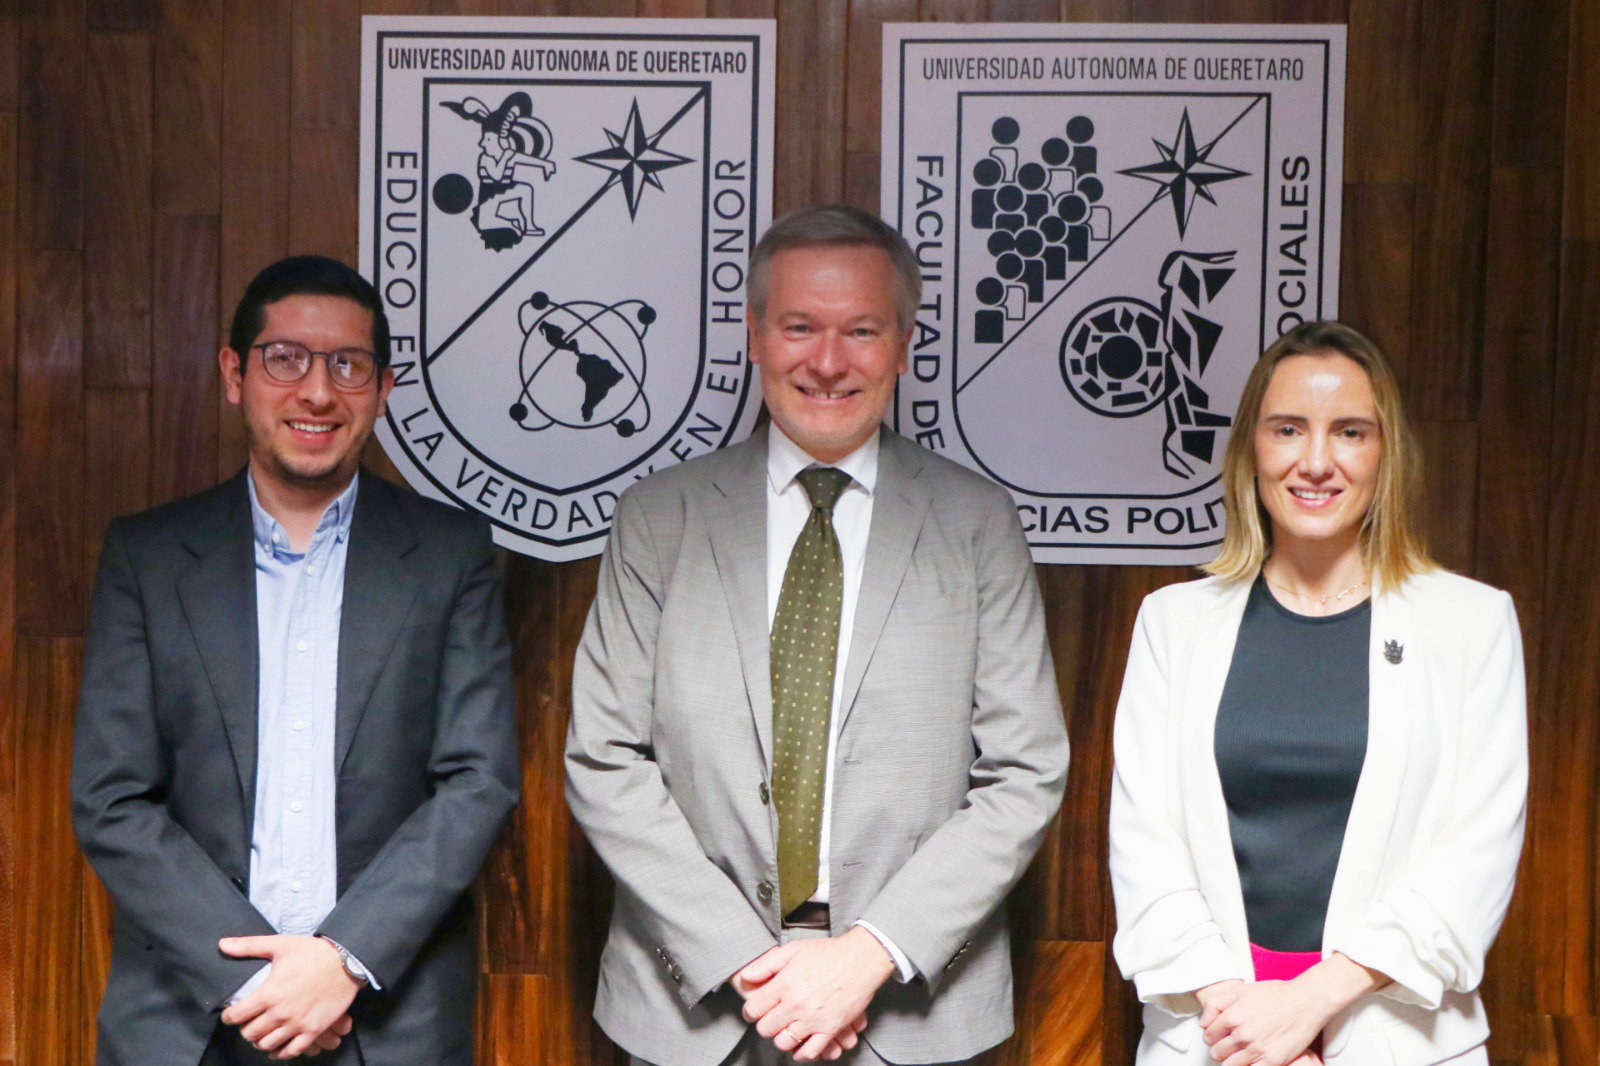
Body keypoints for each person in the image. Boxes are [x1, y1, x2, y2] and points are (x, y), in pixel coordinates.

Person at [565, 205, 1069, 1066]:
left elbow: (1025, 772)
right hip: (693, 1012)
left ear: (903, 345)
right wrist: (754, 963)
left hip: (910, 1014)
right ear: (755, 334)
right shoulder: (660, 518)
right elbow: (603, 758)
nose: (828, 361)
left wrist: (868, 955)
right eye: (800, 326)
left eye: (861, 331)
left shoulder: (979, 523)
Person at [71, 255, 520, 1065]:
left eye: (348, 364)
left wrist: (343, 956)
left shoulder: (450, 556)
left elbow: (477, 780)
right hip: (187, 1019)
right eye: (286, 358)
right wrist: (256, 978)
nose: (318, 392)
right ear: (235, 374)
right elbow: (112, 794)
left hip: (384, 1021)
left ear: (383, 390)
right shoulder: (147, 557)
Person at [1108, 321, 1527, 1066]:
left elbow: (1477, 854)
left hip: (1399, 1037)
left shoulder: (1471, 622)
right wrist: (1247, 1026)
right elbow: (1146, 849)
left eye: (1350, 432)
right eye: (1288, 428)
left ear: (1385, 452)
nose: (1317, 460)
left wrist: (1306, 1007)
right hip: (1214, 1036)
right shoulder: (1172, 622)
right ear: (1252, 450)